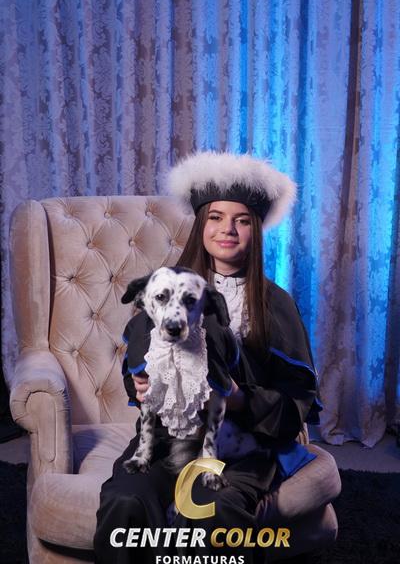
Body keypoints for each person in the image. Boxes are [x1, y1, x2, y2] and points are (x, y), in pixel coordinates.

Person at [93, 151, 322, 564]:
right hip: (166, 442)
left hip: (241, 450)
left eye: (242, 220)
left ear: (256, 230)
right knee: (125, 502)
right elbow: (140, 362)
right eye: (216, 217)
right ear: (201, 225)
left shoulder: (276, 304)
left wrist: (240, 399)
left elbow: (296, 406)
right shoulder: (168, 288)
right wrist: (139, 384)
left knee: (210, 513)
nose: (227, 229)